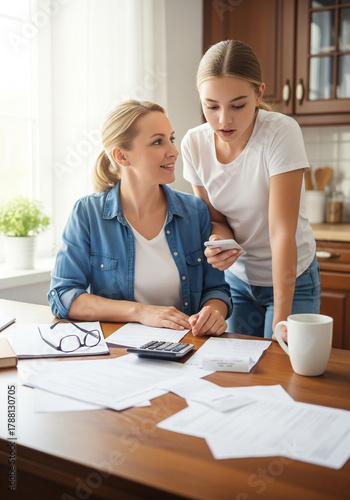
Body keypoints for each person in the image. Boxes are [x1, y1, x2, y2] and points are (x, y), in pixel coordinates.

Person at [48, 100, 232, 337]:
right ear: (121, 156)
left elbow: (216, 289)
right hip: (119, 353)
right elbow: (63, 295)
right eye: (157, 141)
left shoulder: (194, 212)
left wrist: (213, 311)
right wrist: (141, 312)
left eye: (171, 139)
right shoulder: (87, 213)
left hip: (187, 347)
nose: (174, 151)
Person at [181, 40, 321, 340]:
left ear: (259, 93)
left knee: (283, 373)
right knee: (238, 372)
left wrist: (281, 321)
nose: (224, 119)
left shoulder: (280, 133)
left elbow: (282, 232)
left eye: (238, 105)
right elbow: (216, 218)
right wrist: (221, 243)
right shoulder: (194, 143)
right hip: (237, 281)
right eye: (211, 106)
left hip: (292, 280)